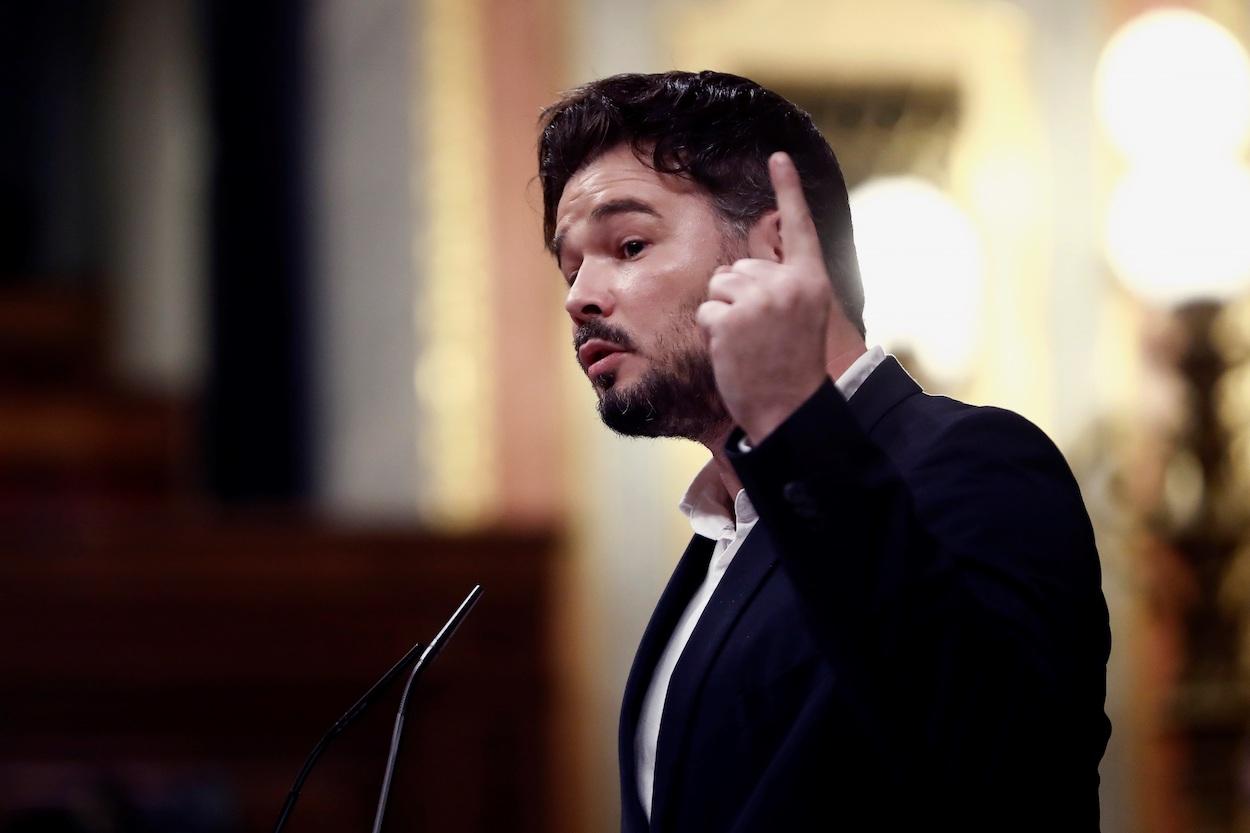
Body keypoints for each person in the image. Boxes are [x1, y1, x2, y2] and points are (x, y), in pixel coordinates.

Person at [537, 70, 1111, 833]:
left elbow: (1008, 771)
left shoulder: (978, 461)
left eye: (629, 244)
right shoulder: (723, 533)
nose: (579, 296)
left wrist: (791, 417)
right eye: (571, 266)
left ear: (776, 248)